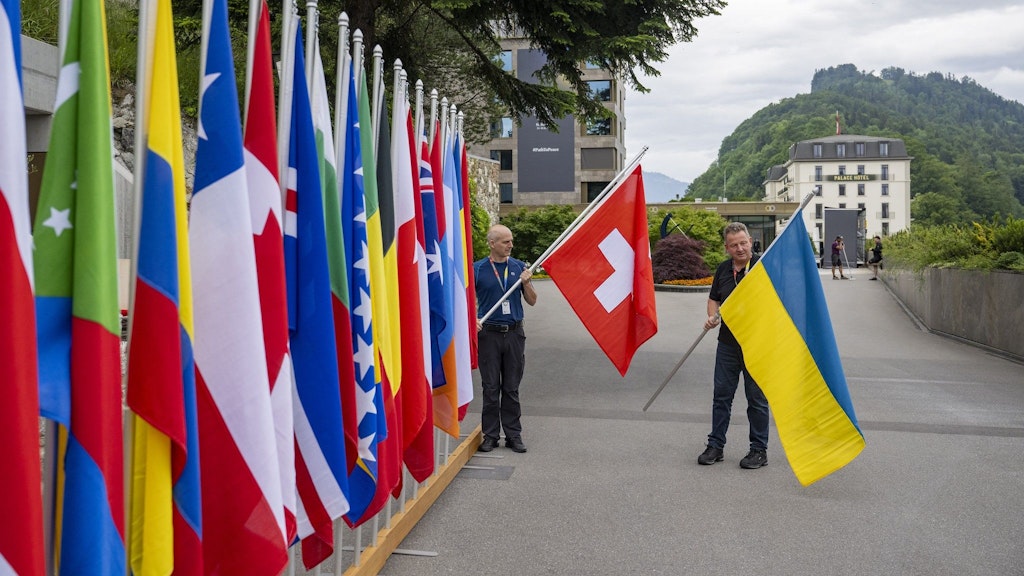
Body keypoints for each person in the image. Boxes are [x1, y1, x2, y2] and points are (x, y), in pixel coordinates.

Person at [698, 222, 770, 469]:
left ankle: (759, 450)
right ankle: (715, 446)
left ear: (751, 241)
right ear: (727, 248)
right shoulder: (723, 269)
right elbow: (714, 298)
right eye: (734, 245)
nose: (740, 248)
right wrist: (711, 316)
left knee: (756, 400)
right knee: (721, 397)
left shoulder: (763, 267)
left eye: (743, 243)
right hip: (728, 345)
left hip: (756, 345)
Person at [474, 224, 537, 453]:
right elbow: (465, 300)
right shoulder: (478, 269)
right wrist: (473, 318)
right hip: (489, 334)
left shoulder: (520, 268)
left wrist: (527, 282)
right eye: (505, 241)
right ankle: (490, 435)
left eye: (511, 241)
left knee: (511, 388)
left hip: (513, 334)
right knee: (490, 387)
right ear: (492, 244)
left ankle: (513, 435)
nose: (510, 245)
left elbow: (532, 301)